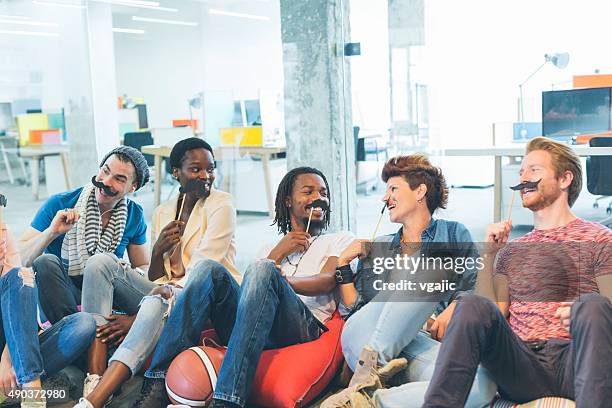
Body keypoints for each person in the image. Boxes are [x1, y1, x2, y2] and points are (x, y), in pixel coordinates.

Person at [130, 166, 354, 408]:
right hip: (257, 325)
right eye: (308, 192)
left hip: (303, 326)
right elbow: (250, 297)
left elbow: (329, 279)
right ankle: (156, 385)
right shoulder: (269, 247)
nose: (318, 198)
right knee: (208, 269)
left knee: (262, 269)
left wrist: (282, 281)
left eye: (323, 193)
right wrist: (278, 253)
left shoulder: (339, 239)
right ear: (288, 201)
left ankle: (227, 400)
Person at [422, 137, 612, 407]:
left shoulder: (600, 238)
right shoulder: (511, 251)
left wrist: (583, 311)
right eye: (521, 171)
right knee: (470, 303)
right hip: (522, 365)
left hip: (577, 358)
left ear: (564, 179)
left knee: (593, 305)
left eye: (534, 170)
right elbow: (491, 314)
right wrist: (490, 254)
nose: (523, 177)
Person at [73, 138, 240, 408]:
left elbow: (203, 269)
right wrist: (159, 249)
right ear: (176, 172)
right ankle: (94, 375)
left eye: (210, 169)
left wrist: (134, 318)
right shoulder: (162, 212)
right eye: (195, 169)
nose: (205, 176)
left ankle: (95, 400)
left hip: (203, 296)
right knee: (101, 262)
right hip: (167, 289)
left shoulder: (222, 205)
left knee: (157, 299)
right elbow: (154, 278)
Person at [322, 155, 496, 407]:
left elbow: (476, 284)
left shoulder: (454, 233)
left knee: (483, 381)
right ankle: (369, 372)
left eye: (393, 188)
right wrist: (342, 267)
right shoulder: (379, 245)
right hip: (366, 339)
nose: (384, 197)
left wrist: (456, 306)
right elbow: (356, 309)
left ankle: (368, 398)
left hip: (416, 344)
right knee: (430, 271)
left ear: (420, 192)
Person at [19, 146, 151, 326]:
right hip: (62, 296)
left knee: (102, 264)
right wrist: (52, 232)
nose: (106, 181)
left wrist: (123, 270)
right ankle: (76, 332)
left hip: (106, 292)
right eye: (105, 171)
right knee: (44, 262)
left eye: (119, 179)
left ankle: (90, 333)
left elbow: (142, 265)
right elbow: (18, 259)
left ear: (132, 187)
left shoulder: (134, 214)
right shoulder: (60, 203)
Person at [1, 222, 95, 408]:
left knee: (83, 324)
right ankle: (29, 391)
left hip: (14, 358)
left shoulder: (3, 232)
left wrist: (7, 360)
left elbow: (16, 306)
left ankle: (29, 388)